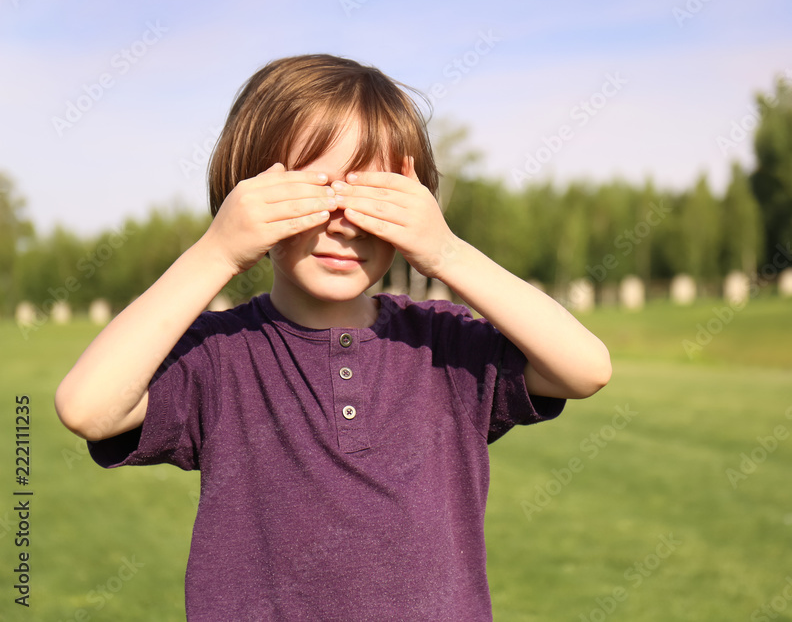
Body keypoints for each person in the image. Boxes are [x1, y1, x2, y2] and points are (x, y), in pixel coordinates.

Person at [54, 54, 612, 620]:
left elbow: (585, 368)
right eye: (311, 191)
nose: (342, 219)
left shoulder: (445, 348)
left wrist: (446, 252)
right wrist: (216, 251)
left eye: (375, 197)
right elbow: (87, 408)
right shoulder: (217, 358)